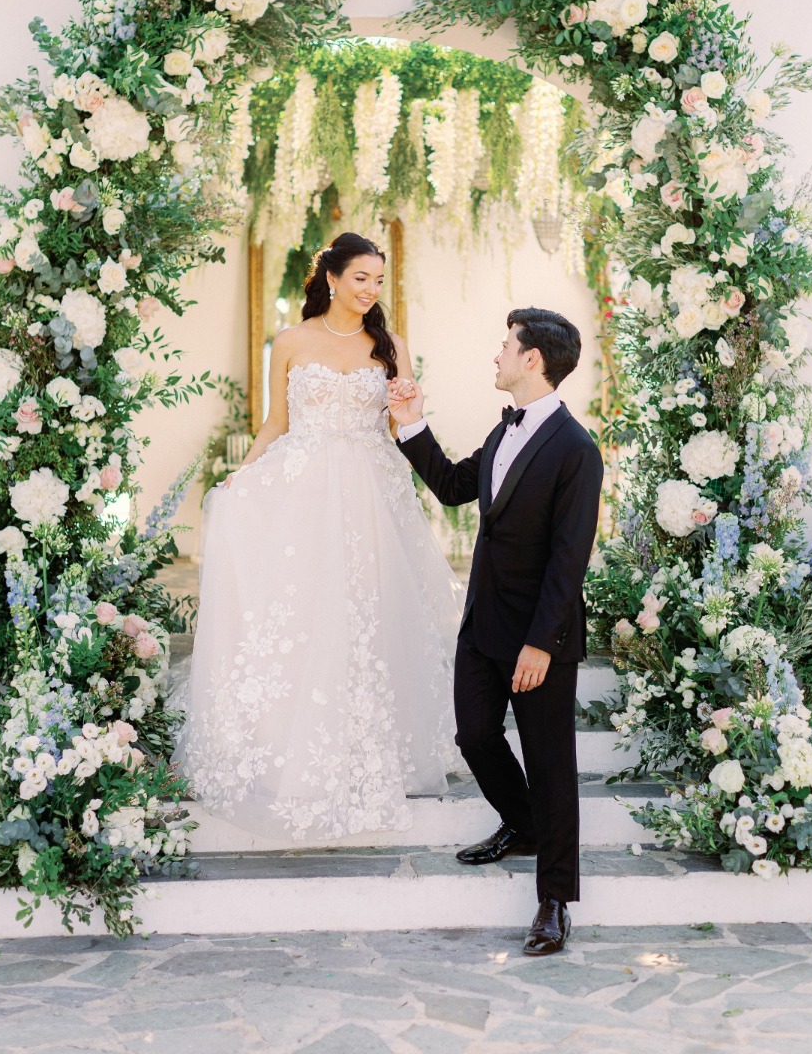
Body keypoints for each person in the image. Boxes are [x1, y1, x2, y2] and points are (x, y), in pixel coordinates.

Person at [174, 232, 463, 843]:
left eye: (378, 281)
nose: (370, 291)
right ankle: (290, 751)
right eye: (361, 278)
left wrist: (410, 403)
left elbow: (403, 423)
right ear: (331, 277)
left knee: (367, 618)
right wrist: (239, 479)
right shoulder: (290, 341)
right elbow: (277, 422)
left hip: (368, 494)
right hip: (301, 495)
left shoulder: (390, 347)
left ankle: (373, 751)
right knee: (302, 615)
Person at [388, 308, 603, 956]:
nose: (497, 356)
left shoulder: (576, 450)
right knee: (475, 735)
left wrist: (541, 644)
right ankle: (524, 824)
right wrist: (411, 419)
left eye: (505, 346)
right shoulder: (502, 431)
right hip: (483, 623)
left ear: (532, 359)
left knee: (551, 765)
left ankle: (554, 903)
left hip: (542, 637)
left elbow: (570, 560)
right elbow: (454, 485)